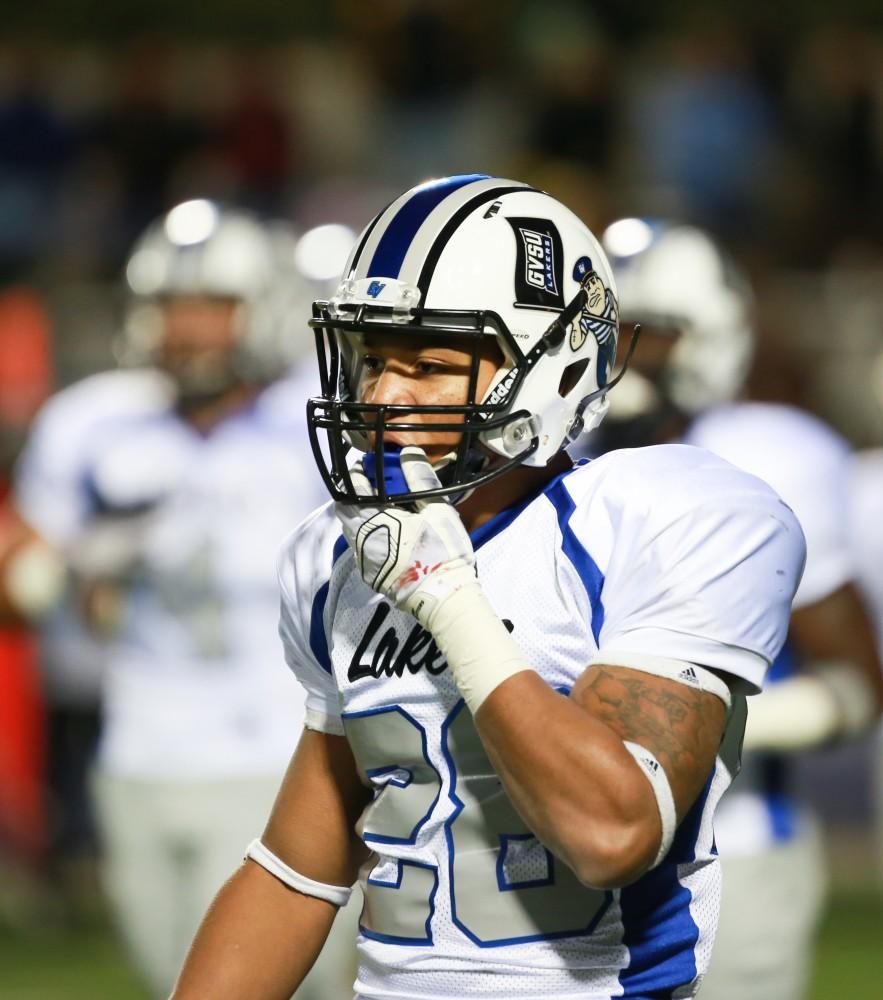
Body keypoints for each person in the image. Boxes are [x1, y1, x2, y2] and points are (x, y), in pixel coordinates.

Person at [169, 174, 806, 1000]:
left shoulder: (664, 517)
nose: (385, 396)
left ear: (548, 371)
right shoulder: (336, 556)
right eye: (373, 361)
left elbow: (612, 830)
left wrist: (447, 598)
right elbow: (296, 871)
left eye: (428, 363)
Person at [1, 200, 356, 998]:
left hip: (277, 752)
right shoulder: (94, 421)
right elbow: (19, 577)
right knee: (171, 974)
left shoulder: (318, 422)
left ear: (258, 310)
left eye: (211, 306)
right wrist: (66, 566)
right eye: (172, 307)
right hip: (138, 751)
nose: (188, 328)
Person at [595, 218, 883, 1000]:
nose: (621, 356)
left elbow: (858, 681)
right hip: (569, 849)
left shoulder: (771, 453)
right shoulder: (547, 458)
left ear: (710, 338)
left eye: (647, 333)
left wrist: (669, 727)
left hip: (732, 845)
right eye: (604, 331)